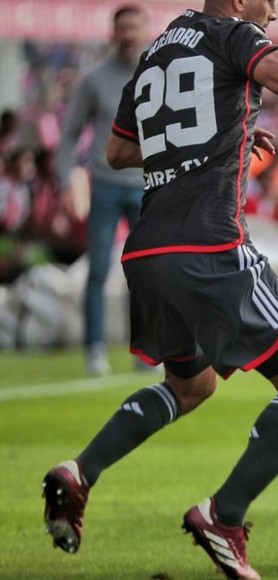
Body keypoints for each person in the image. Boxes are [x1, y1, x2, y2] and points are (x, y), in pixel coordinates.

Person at [41, 1, 278, 579]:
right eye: (269, 1)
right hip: (210, 246)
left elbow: (118, 152)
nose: (275, 13)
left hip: (149, 251)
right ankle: (223, 517)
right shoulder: (231, 34)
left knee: (189, 384)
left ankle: (80, 472)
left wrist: (221, 134)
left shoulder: (158, 49)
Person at [55, 5, 151, 376]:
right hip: (107, 185)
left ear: (145, 31)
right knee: (97, 270)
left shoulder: (158, 74)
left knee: (144, 271)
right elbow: (69, 136)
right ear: (113, 32)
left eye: (134, 27)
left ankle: (145, 352)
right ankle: (95, 350)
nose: (128, 34)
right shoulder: (94, 79)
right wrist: (67, 181)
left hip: (147, 185)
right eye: (122, 27)